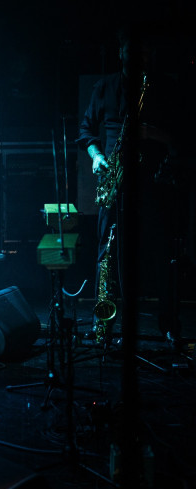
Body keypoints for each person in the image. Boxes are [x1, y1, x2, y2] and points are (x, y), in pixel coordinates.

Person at [77, 27, 188, 347]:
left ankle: (169, 325)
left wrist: (153, 134)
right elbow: (86, 131)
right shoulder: (105, 87)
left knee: (162, 254)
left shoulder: (164, 88)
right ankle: (104, 325)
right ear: (121, 52)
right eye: (131, 50)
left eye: (144, 51)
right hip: (115, 180)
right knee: (106, 256)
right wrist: (97, 156)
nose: (138, 57)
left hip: (154, 183)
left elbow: (183, 137)